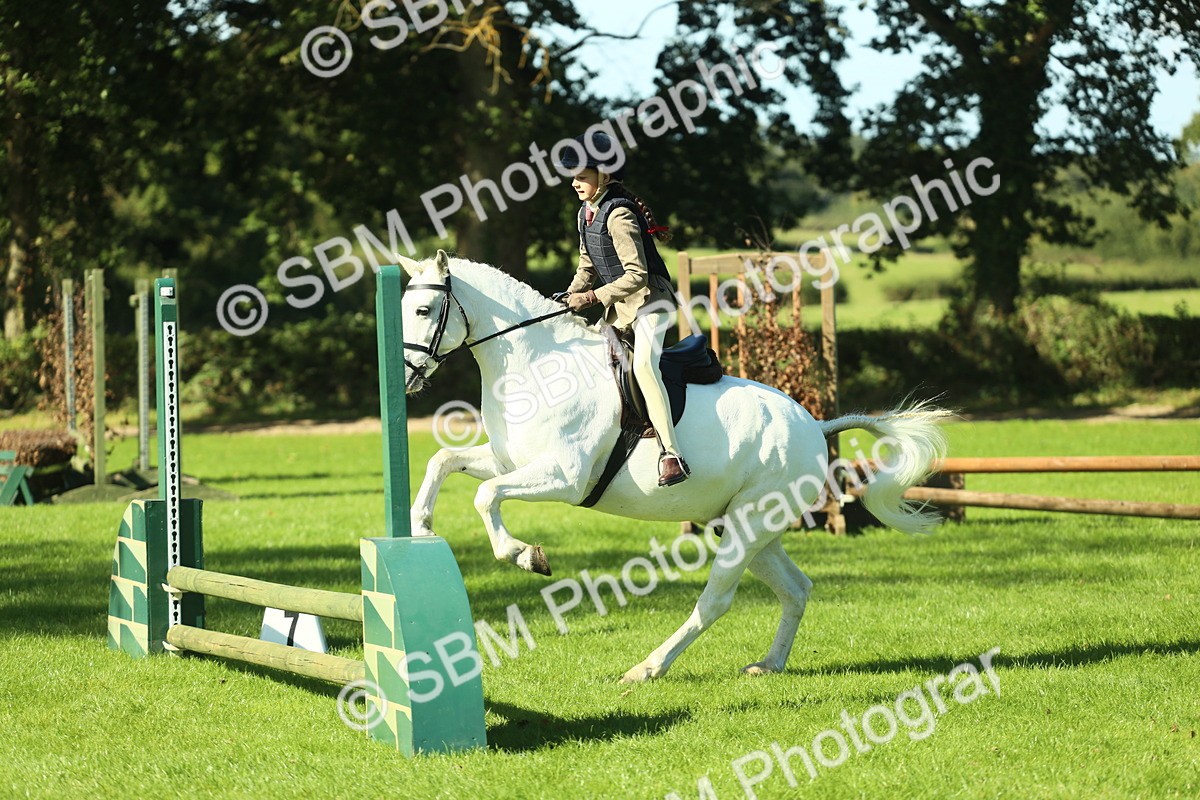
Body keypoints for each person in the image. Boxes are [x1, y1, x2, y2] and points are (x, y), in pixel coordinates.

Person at [554, 131, 690, 487]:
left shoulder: (620, 216)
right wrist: (568, 297)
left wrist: (592, 298)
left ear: (605, 176)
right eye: (574, 177)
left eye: (582, 176)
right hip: (619, 308)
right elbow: (587, 264)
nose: (575, 183)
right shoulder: (586, 213)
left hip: (651, 302)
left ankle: (672, 454)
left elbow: (637, 276)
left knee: (644, 365)